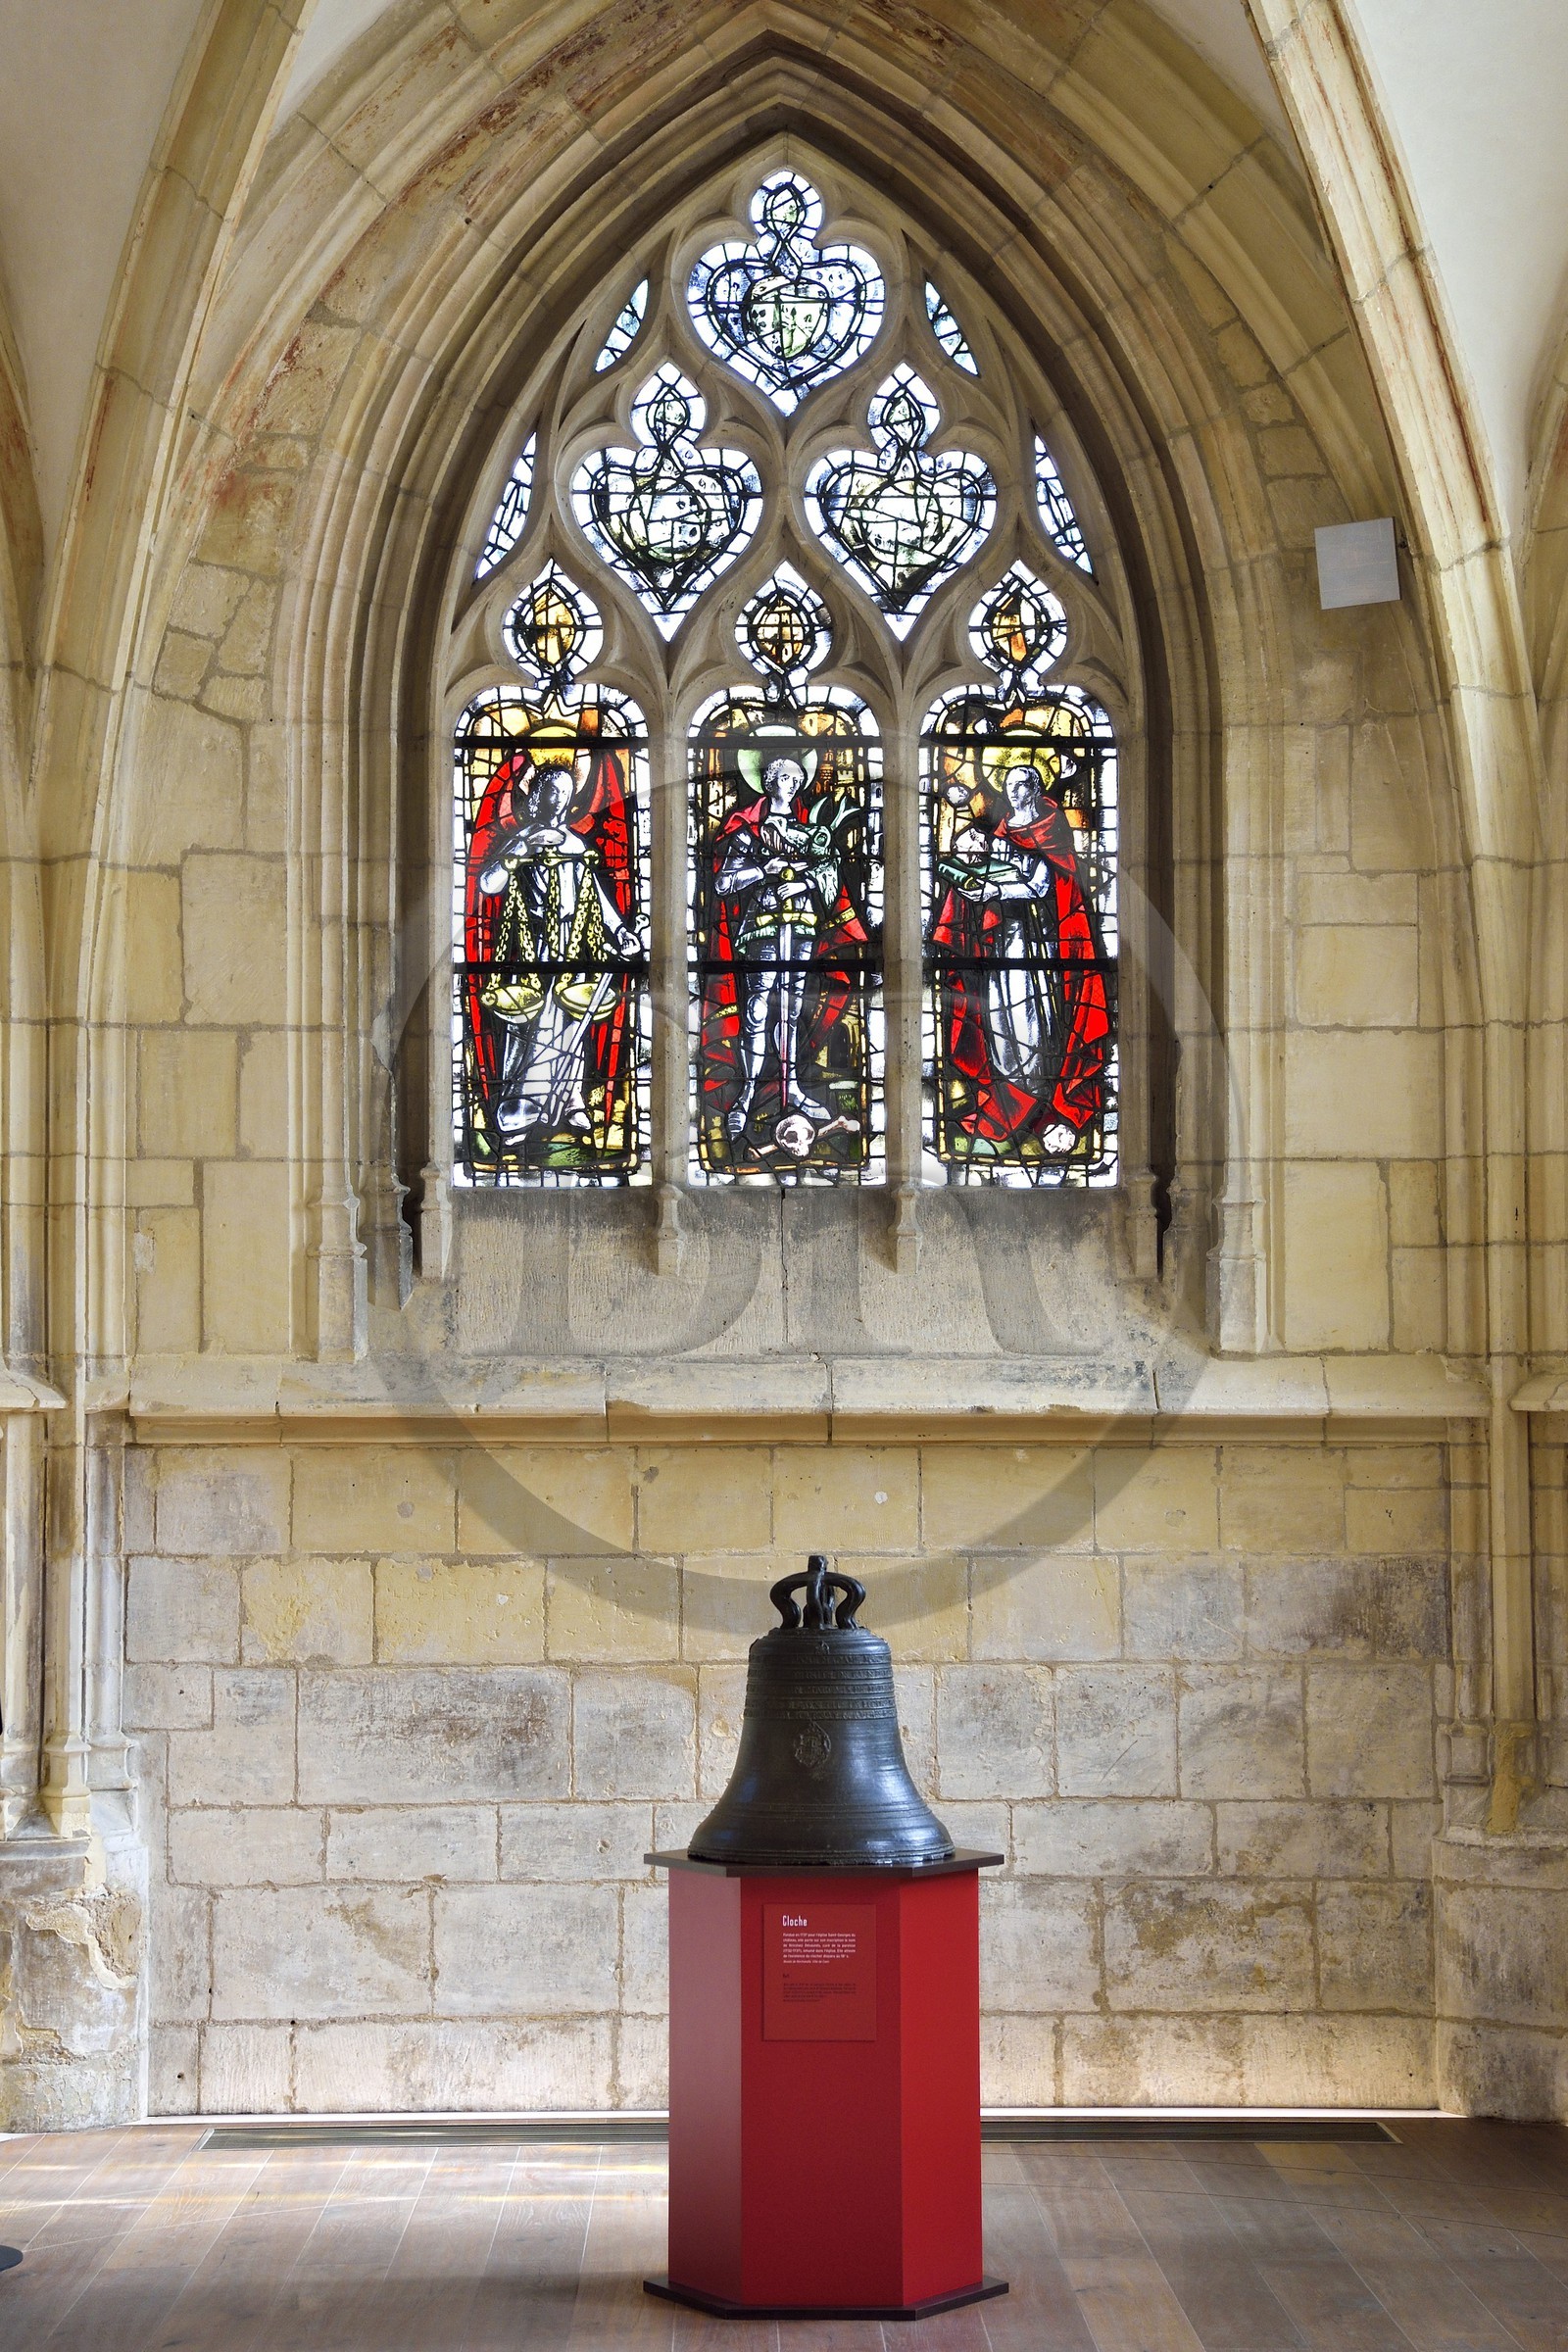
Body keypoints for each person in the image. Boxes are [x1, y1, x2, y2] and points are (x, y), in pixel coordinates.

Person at [929, 760, 1109, 1158]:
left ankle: (1041, 1095)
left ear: (1035, 789)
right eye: (1008, 783)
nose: (1013, 790)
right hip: (1003, 940)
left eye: (1021, 784)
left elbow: (1048, 884)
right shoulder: (999, 830)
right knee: (999, 1014)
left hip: (1041, 943)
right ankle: (1008, 1095)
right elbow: (989, 872)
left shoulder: (1051, 829)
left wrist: (998, 890)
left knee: (1036, 1018)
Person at [466, 753, 640, 1152]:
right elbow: (489, 884)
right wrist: (521, 848)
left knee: (569, 1024)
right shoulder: (521, 841)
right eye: (551, 791)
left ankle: (570, 1099)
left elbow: (595, 895)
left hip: (573, 942)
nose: (558, 799)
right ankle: (521, 1105)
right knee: (527, 1026)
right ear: (536, 796)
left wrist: (620, 931)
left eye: (565, 792)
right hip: (530, 945)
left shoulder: (577, 845)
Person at [710, 754, 866, 1143]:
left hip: (801, 927)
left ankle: (792, 1087)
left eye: (797, 779)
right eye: (785, 778)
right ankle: (746, 1093)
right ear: (768, 782)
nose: (793, 785)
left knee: (792, 1010)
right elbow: (723, 883)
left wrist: (803, 883)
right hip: (762, 927)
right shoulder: (748, 833)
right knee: (757, 1008)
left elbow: (829, 873)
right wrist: (762, 871)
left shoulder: (811, 833)